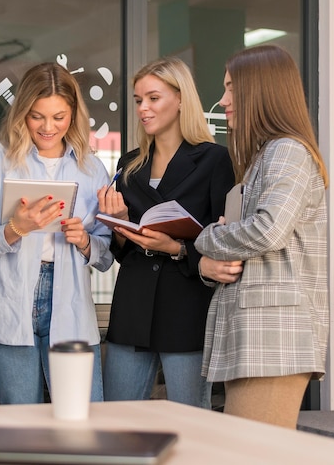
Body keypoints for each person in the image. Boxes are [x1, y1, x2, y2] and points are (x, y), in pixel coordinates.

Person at [0, 62, 114, 404]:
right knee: (21, 419)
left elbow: (105, 256)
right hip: (6, 300)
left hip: (70, 304)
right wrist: (16, 229)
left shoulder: (92, 169)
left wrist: (86, 241)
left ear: (74, 115)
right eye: (37, 116)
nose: (48, 127)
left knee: (84, 415)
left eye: (59, 117)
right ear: (21, 113)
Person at [194, 45, 329, 428]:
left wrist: (207, 238)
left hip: (274, 341)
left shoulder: (287, 152)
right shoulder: (266, 155)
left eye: (231, 88)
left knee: (253, 454)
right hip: (259, 339)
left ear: (261, 91)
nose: (222, 101)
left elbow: (268, 230)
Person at [97, 56, 234, 408]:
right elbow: (122, 251)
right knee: (118, 422)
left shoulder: (215, 160)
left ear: (181, 99)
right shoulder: (129, 163)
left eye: (153, 98)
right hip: (132, 308)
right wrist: (121, 222)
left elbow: (224, 241)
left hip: (186, 311)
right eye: (139, 100)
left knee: (191, 424)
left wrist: (175, 246)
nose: (143, 108)